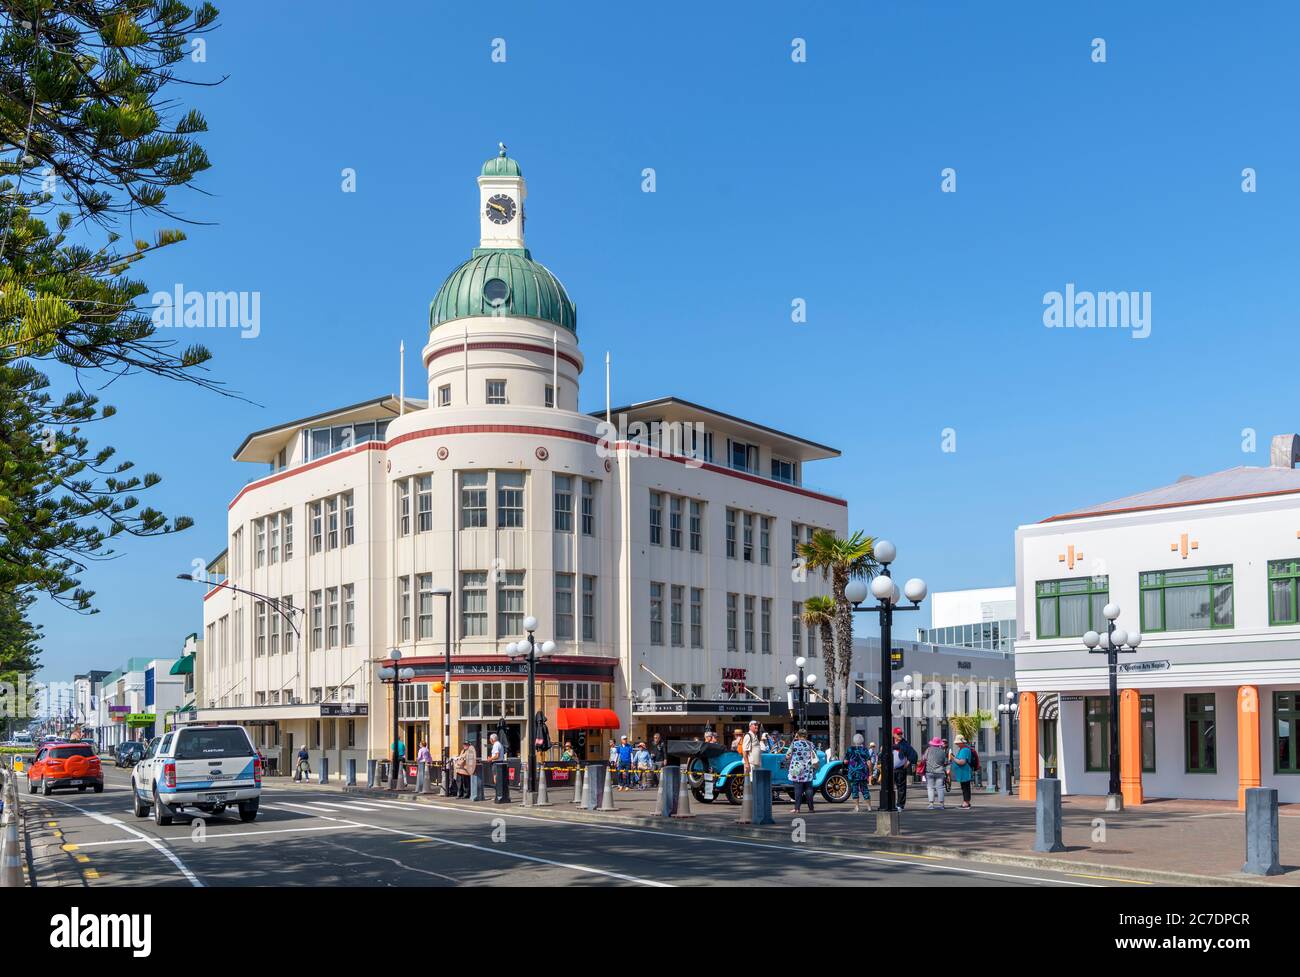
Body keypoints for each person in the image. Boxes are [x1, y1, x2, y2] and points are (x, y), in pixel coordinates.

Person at [786, 729, 819, 814]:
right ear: (806, 735)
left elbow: (787, 756)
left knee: (798, 789)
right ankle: (811, 808)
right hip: (807, 768)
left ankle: (797, 809)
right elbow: (814, 756)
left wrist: (794, 739)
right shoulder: (811, 744)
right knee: (809, 788)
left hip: (796, 768)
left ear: (798, 735)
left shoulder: (794, 744)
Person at [845, 733, 873, 813]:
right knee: (865, 789)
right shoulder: (865, 750)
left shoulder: (850, 749)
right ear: (862, 741)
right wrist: (870, 773)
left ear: (854, 741)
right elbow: (869, 762)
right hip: (863, 773)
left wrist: (849, 762)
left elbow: (846, 761)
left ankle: (857, 807)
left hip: (853, 772)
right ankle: (869, 807)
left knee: (854, 789)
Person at [891, 728, 918, 811]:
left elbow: (913, 754)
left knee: (901, 788)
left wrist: (909, 762)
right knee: (889, 787)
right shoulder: (889, 743)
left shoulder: (905, 744)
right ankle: (891, 804)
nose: (900, 735)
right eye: (898, 734)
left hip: (900, 769)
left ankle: (900, 805)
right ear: (894, 734)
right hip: (890, 769)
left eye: (901, 734)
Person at [921, 736, 949, 809]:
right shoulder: (942, 751)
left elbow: (923, 759)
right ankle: (941, 804)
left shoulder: (928, 749)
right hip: (940, 772)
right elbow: (945, 762)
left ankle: (931, 804)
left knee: (930, 787)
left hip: (929, 771)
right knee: (940, 788)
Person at [950, 734, 974, 809]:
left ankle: (966, 803)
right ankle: (967, 802)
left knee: (965, 787)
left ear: (961, 742)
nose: (956, 744)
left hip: (965, 772)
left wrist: (953, 758)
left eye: (957, 743)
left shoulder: (965, 750)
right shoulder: (962, 749)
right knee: (965, 787)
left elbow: (962, 762)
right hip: (963, 772)